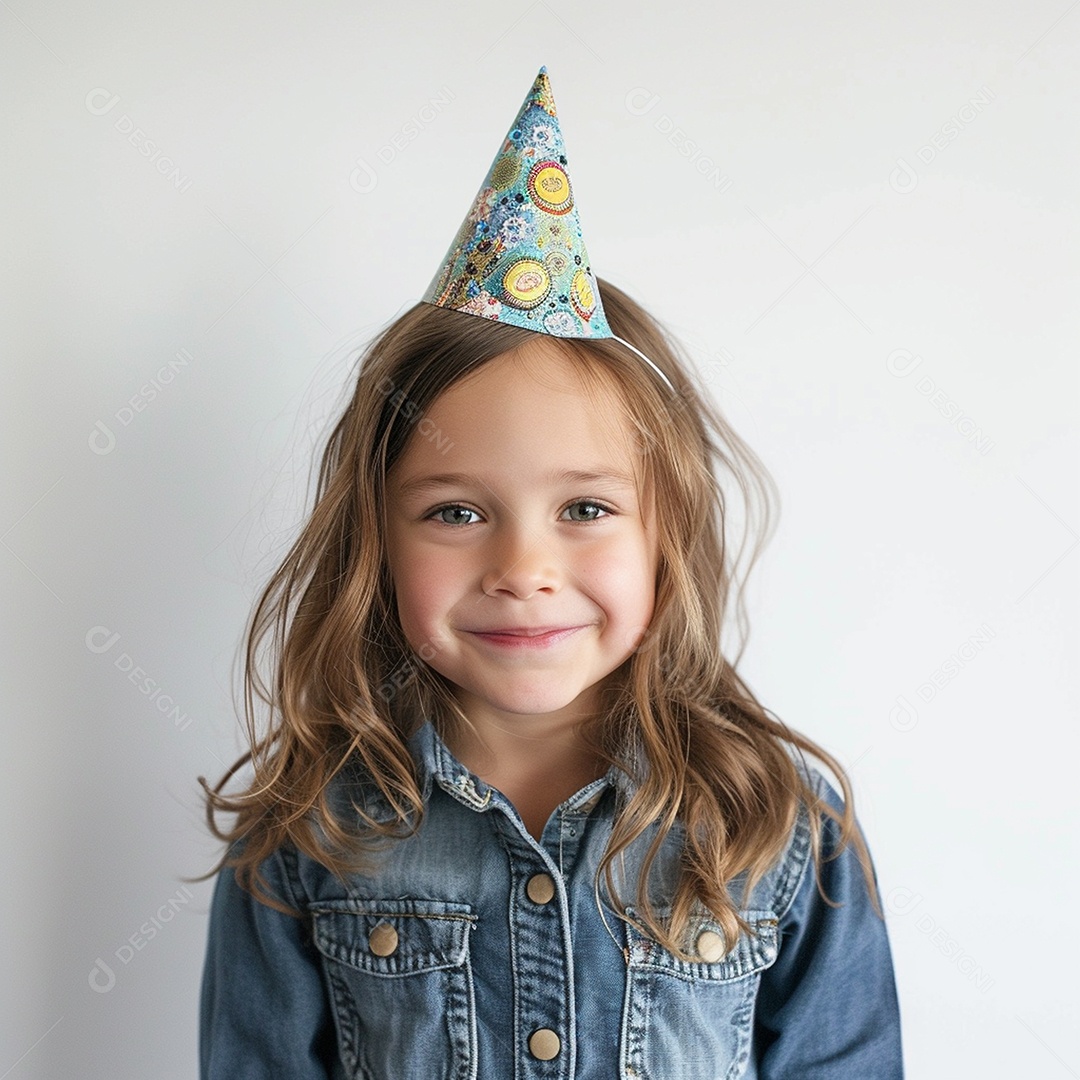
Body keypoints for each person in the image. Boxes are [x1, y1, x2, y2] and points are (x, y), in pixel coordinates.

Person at [196, 68, 903, 1079]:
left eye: (585, 509)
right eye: (456, 511)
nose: (523, 568)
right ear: (376, 541)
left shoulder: (780, 828)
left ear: (666, 537)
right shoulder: (305, 833)